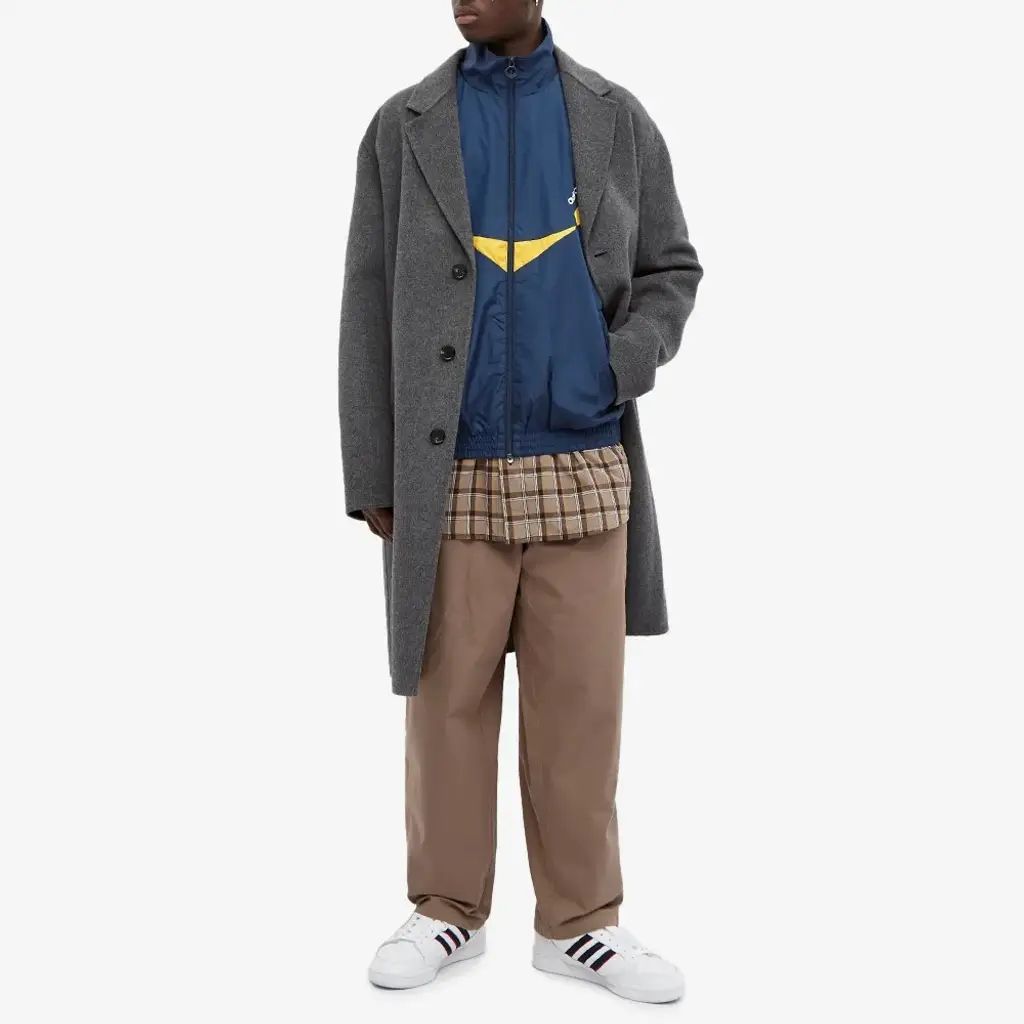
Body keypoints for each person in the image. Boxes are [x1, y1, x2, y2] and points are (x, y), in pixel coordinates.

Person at [338, 0, 702, 1004]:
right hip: (445, 469)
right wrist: (371, 473)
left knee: (580, 708)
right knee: (445, 703)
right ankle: (447, 909)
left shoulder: (613, 116)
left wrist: (618, 362)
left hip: (581, 461)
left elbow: (671, 267)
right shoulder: (402, 125)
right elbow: (367, 300)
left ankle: (580, 924)